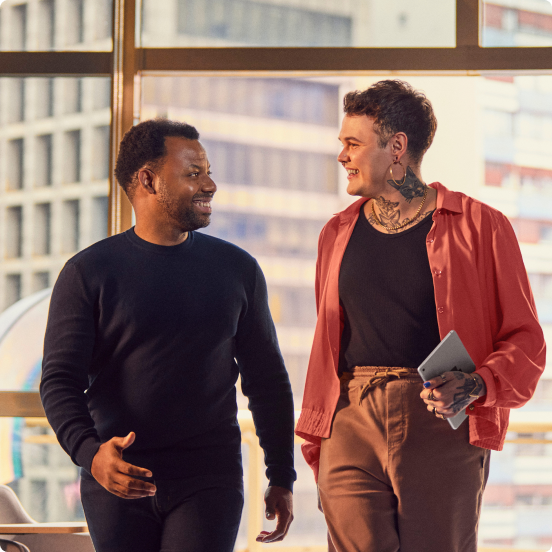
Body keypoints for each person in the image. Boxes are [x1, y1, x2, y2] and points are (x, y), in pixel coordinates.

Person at [295, 80, 546, 552]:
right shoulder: (336, 233)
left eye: (353, 143)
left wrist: (476, 385)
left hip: (440, 420)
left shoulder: (482, 226)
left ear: (396, 148)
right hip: (350, 417)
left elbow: (526, 342)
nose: (342, 156)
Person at [40, 119, 295, 552]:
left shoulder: (238, 270)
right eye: (193, 172)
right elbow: (60, 381)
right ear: (148, 179)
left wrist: (282, 476)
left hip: (209, 478)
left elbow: (267, 380)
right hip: (118, 477)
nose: (211, 184)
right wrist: (91, 454)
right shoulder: (88, 273)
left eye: (208, 171)